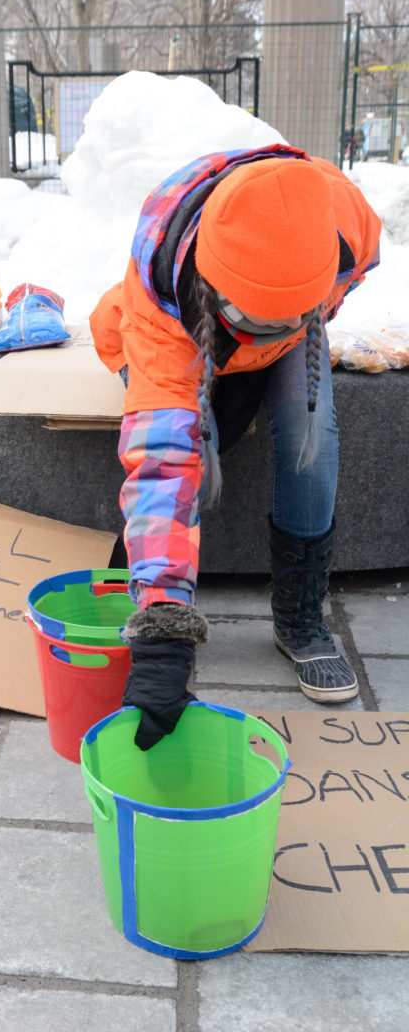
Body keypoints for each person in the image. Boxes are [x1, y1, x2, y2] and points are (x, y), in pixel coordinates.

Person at [90, 143, 382, 750]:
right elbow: (163, 466)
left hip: (290, 328)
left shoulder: (348, 227)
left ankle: (299, 616)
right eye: (250, 319)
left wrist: (276, 334)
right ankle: (153, 583)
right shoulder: (161, 298)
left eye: (280, 318)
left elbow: (335, 287)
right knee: (195, 440)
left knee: (311, 434)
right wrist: (164, 637)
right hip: (189, 334)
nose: (261, 332)